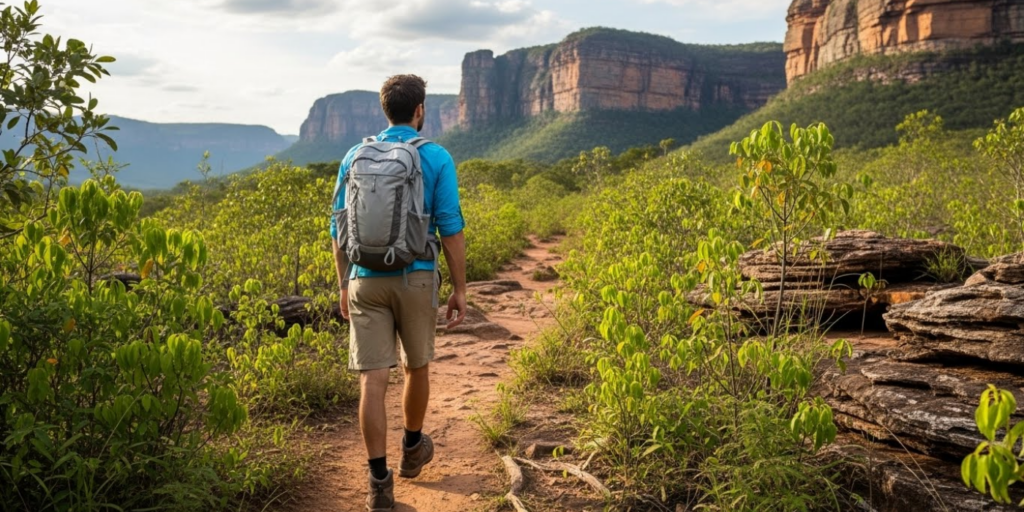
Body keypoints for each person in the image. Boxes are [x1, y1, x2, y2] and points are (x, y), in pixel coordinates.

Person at [330, 74, 467, 512]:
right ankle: (411, 448)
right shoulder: (436, 156)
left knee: (373, 380)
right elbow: (451, 227)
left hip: (363, 279)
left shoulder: (355, 154)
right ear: (421, 110)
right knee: (416, 366)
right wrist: (460, 287)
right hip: (416, 276)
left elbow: (338, 227)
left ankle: (377, 484)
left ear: (384, 109)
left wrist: (343, 282)